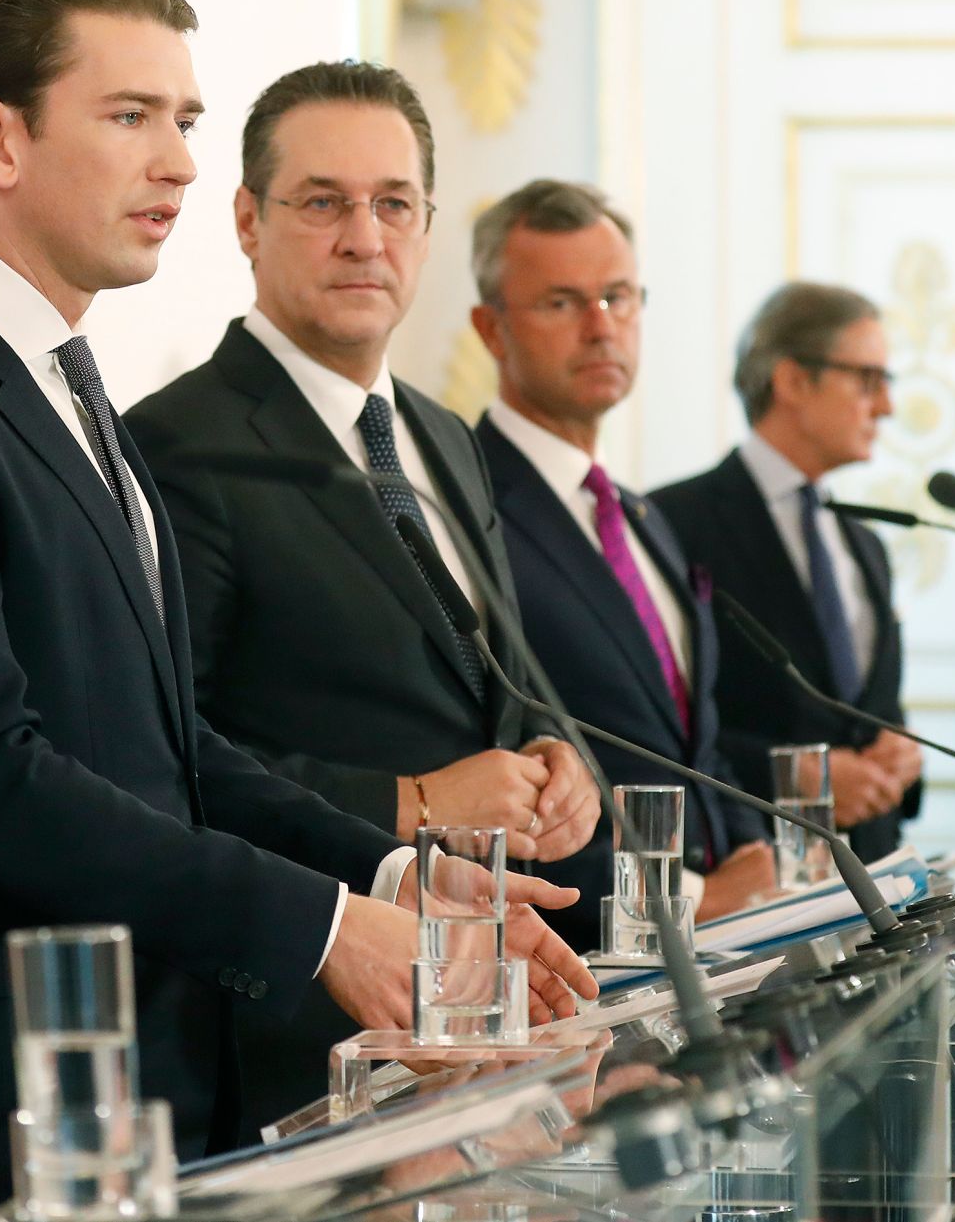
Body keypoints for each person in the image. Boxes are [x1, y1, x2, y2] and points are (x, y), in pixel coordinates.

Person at [0, 0, 597, 1212]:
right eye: (129, 117)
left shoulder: (65, 385)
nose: (178, 163)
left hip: (152, 1070)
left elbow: (170, 751)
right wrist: (323, 930)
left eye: (186, 122)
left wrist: (388, 876)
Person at [125, 62, 599, 1129]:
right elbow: (170, 755)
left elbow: (493, 675)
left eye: (392, 204)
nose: (362, 237)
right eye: (322, 202)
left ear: (426, 227)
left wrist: (559, 759)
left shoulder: (442, 436)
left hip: (476, 1005)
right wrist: (415, 805)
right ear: (247, 220)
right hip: (303, 1024)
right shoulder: (176, 444)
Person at [466, 180, 774, 950]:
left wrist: (762, 862)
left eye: (619, 297)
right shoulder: (468, 507)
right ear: (491, 328)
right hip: (585, 958)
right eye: (563, 303)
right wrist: (694, 897)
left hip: (724, 957)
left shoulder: (641, 514)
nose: (602, 327)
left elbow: (690, 743)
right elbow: (493, 756)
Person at [653, 282, 921, 861]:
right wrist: (796, 776)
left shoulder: (866, 543)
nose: (886, 407)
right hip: (751, 872)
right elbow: (655, 722)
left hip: (878, 870)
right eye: (868, 381)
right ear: (794, 381)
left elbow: (873, 711)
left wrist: (902, 757)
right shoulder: (670, 522)